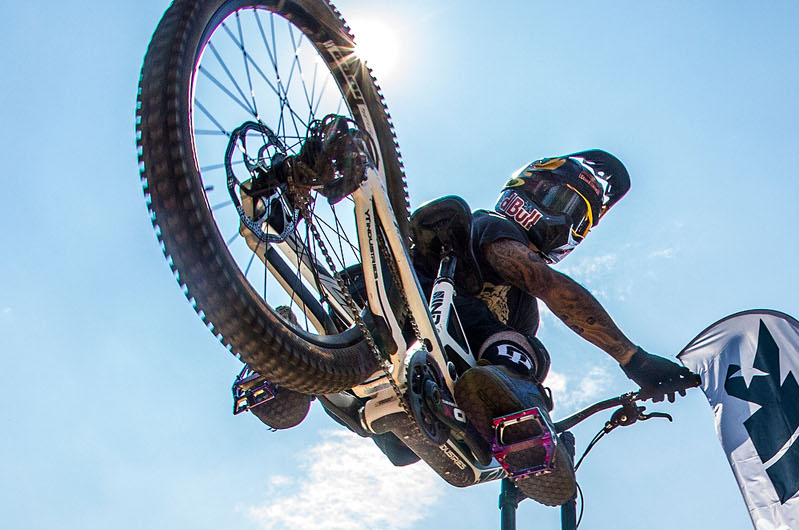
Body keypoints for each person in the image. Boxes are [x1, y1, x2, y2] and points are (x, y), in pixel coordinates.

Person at [262, 151, 700, 466]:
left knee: (408, 444)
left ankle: (292, 352)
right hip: (395, 309)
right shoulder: (493, 228)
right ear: (528, 189)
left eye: (575, 217)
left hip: (399, 385)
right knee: (528, 352)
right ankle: (287, 350)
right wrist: (633, 358)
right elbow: (542, 280)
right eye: (559, 202)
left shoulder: (522, 314)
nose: (562, 220)